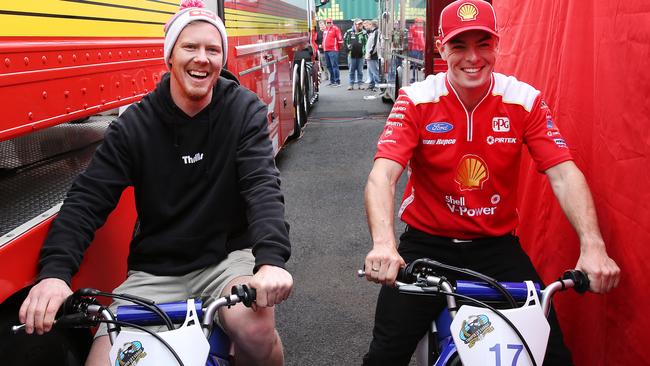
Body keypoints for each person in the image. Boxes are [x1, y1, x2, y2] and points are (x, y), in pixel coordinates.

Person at [18, 2, 293, 365]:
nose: (202, 59)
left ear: (222, 59)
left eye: (212, 50)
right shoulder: (135, 125)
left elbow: (262, 186)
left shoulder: (243, 111)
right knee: (101, 361)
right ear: (169, 56)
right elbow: (86, 199)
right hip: (155, 272)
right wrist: (54, 274)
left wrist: (271, 261)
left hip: (226, 261)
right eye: (190, 47)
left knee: (256, 331)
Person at [362, 1, 620, 365]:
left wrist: (593, 247)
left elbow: (564, 173)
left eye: (483, 44)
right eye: (459, 45)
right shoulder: (416, 99)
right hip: (427, 245)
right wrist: (384, 246)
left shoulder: (523, 99)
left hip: (497, 248)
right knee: (384, 356)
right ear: (441, 48)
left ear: (498, 46)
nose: (473, 58)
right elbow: (382, 175)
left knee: (552, 355)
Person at [344, 18, 367, 90]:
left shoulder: (364, 33)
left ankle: (360, 84)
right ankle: (351, 84)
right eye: (359, 24)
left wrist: (364, 52)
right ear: (355, 24)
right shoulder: (349, 32)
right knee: (351, 70)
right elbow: (345, 41)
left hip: (361, 55)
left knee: (360, 70)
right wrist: (348, 49)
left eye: (361, 24)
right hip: (351, 55)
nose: (360, 25)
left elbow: (366, 43)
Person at [322, 17, 343, 87]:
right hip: (326, 50)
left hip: (333, 50)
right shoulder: (325, 29)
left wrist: (337, 48)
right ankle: (332, 81)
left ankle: (337, 81)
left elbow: (340, 40)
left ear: (332, 22)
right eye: (327, 23)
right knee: (329, 66)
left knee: (334, 66)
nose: (328, 24)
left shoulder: (335, 29)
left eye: (330, 22)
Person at [364, 19, 380, 92]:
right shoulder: (373, 32)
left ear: (372, 25)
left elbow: (375, 45)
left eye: (369, 24)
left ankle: (377, 85)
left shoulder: (376, 32)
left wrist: (370, 54)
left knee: (374, 71)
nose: (367, 26)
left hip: (373, 56)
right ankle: (372, 84)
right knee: (371, 71)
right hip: (370, 55)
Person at [407, 17, 425, 83]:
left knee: (420, 64)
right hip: (415, 49)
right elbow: (410, 39)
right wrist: (410, 48)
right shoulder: (412, 28)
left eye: (421, 23)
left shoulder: (422, 29)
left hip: (420, 49)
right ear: (416, 22)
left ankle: (420, 78)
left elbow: (423, 39)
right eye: (419, 22)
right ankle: (414, 78)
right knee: (415, 64)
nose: (420, 24)